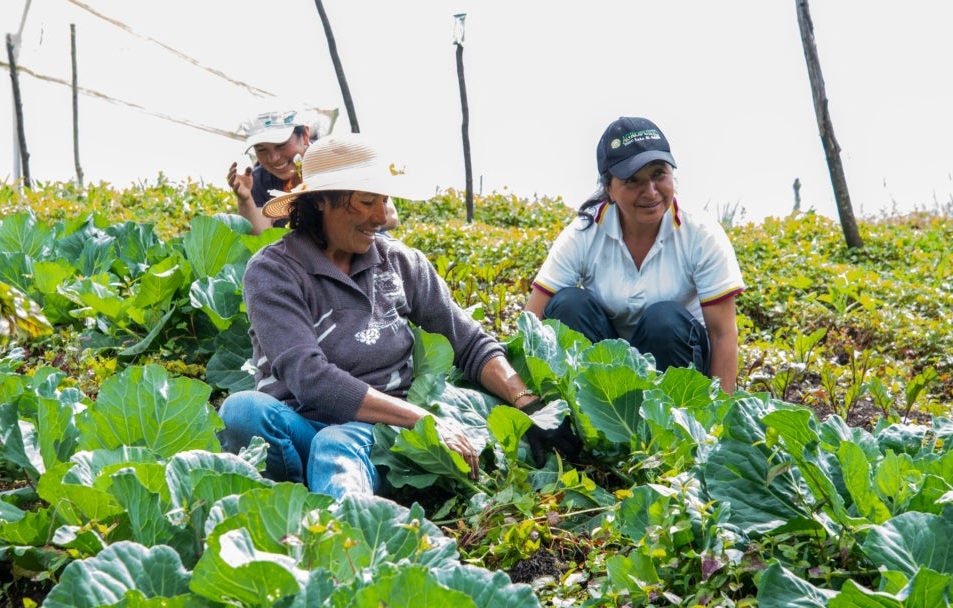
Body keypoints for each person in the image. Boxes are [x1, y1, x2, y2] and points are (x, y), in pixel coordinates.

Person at [218, 133, 577, 500]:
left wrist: (526, 402)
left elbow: (469, 343)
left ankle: (340, 531)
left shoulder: (401, 263)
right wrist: (423, 419)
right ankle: (317, 488)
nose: (381, 216)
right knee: (242, 410)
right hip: (302, 425)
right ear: (321, 201)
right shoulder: (273, 271)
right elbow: (309, 377)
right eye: (366, 201)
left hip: (383, 429)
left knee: (337, 443)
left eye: (385, 200)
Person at [524, 116, 745, 394]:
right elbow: (532, 320)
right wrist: (522, 397)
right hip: (606, 377)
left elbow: (723, 334)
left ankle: (671, 425)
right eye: (632, 180)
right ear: (609, 190)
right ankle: (585, 416)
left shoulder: (701, 234)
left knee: (663, 320)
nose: (650, 192)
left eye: (658, 174)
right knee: (568, 304)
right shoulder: (585, 231)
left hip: (676, 366)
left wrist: (718, 420)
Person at [227, 109, 398, 235]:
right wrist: (245, 198)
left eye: (281, 145)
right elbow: (262, 237)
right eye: (261, 149)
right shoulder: (259, 179)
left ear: (305, 135)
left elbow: (389, 217)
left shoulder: (338, 158)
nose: (273, 158)